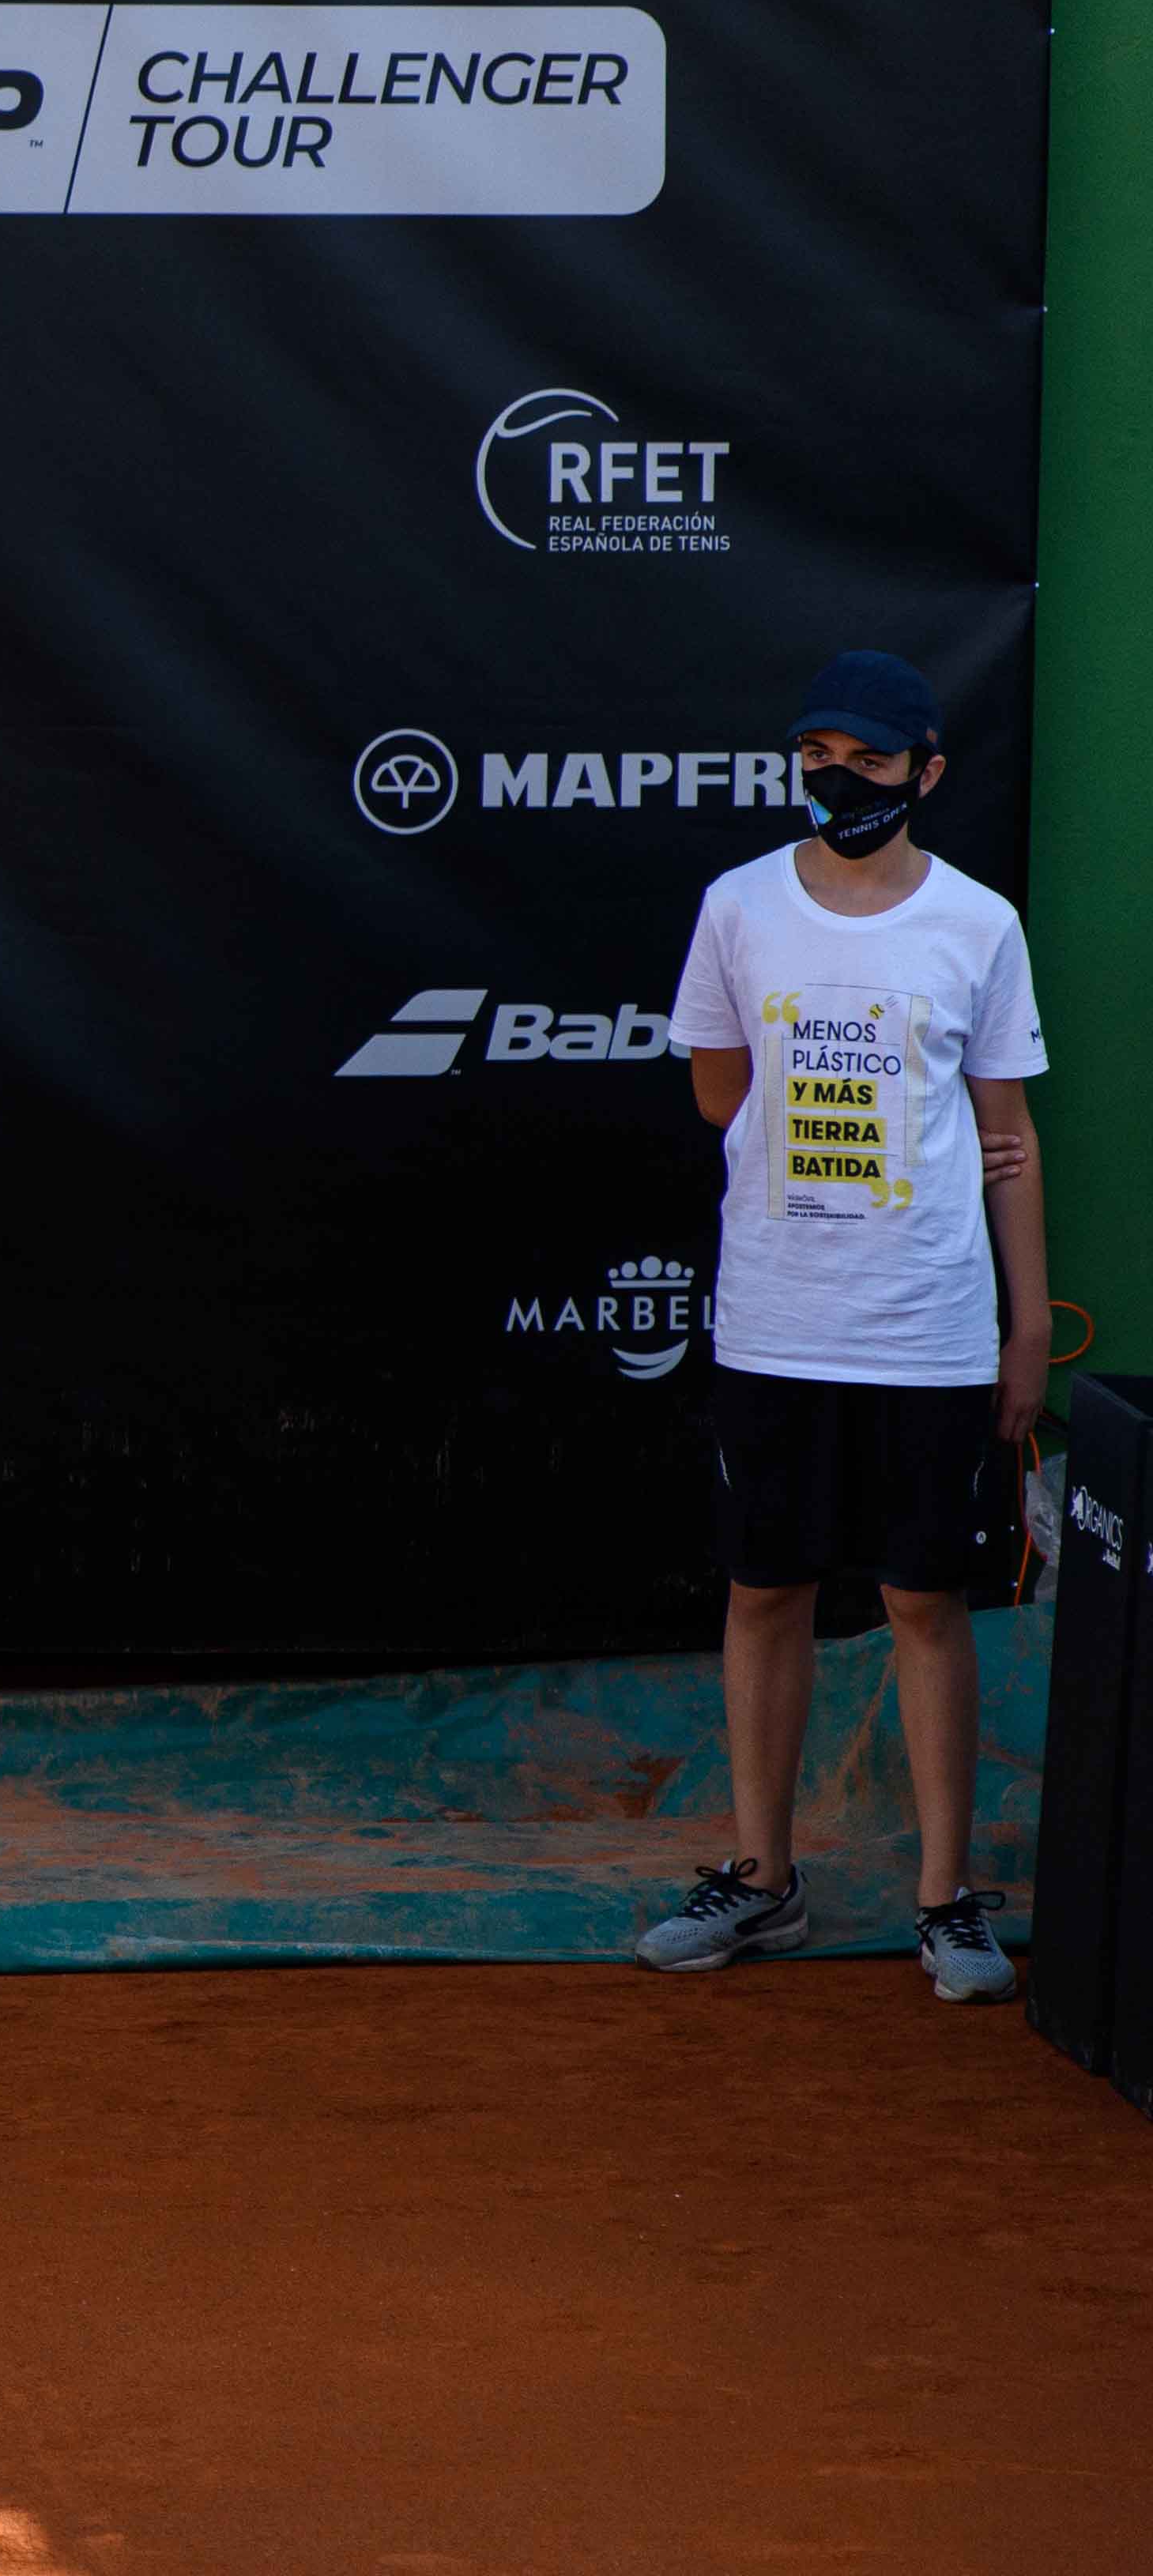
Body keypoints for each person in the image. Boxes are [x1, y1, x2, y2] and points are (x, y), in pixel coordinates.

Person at [637, 650, 1048, 2002]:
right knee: (767, 1592)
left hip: (927, 1326)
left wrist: (1025, 1323)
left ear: (927, 771)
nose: (840, 780)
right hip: (775, 1319)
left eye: (870, 760)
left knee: (926, 1599)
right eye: (818, 753)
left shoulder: (979, 923)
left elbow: (1005, 1135)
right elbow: (717, 1094)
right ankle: (763, 1884)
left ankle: (947, 1901)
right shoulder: (739, 906)